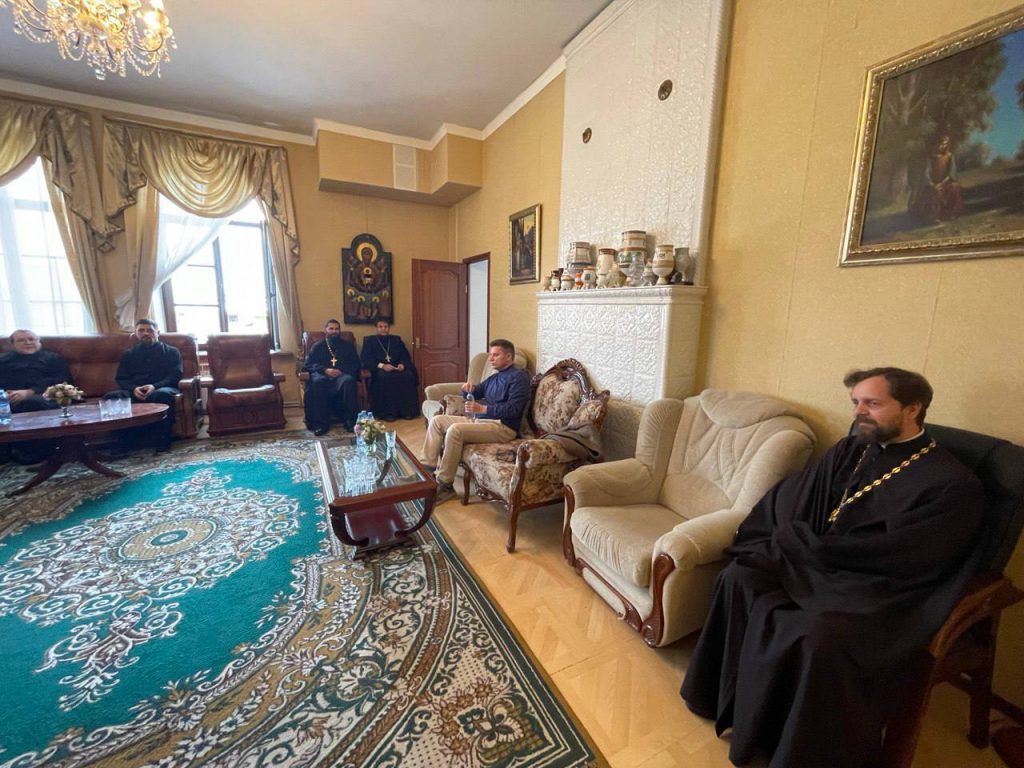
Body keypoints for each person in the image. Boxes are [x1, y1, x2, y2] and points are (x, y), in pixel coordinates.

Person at [679, 367, 984, 768]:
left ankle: (793, 751)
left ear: (913, 408)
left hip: (880, 584)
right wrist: (797, 541)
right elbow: (797, 498)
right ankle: (726, 704)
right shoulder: (851, 449)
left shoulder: (951, 484)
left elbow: (909, 555)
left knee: (817, 636)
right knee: (738, 577)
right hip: (815, 559)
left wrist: (813, 548)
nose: (859, 412)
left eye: (872, 403)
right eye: (856, 402)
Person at [421, 339, 531, 504]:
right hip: (481, 421)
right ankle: (425, 472)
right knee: (437, 421)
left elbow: (514, 409)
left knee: (455, 430)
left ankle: (445, 485)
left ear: (508, 357)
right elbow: (476, 392)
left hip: (502, 427)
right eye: (491, 355)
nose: (491, 359)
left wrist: (483, 409)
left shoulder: (519, 377)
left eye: (495, 355)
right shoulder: (495, 377)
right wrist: (467, 390)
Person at [107, 319, 181, 451]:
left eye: (150, 330)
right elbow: (121, 378)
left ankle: (162, 441)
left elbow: (175, 375)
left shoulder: (172, 352)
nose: (145, 333)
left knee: (161, 395)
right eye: (141, 330)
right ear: (136, 333)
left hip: (162, 387)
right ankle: (124, 442)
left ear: (157, 332)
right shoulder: (128, 354)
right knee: (113, 397)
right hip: (135, 390)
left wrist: (154, 386)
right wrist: (134, 389)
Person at [303, 319, 361, 436]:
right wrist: (325, 370)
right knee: (318, 383)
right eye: (331, 329)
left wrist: (340, 371)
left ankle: (349, 421)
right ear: (326, 330)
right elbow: (309, 364)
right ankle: (321, 424)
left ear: (340, 330)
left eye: (337, 329)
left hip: (341, 376)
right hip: (322, 375)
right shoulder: (317, 346)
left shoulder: (348, 346)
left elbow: (355, 364)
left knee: (349, 381)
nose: (334, 331)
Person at [0, 329, 71, 412]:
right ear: (12, 344)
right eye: (21, 340)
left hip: (41, 395)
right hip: (7, 397)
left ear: (39, 341)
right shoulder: (2, 360)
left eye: (31, 339)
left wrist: (30, 392)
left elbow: (63, 381)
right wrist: (5, 395)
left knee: (34, 402)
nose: (27, 343)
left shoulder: (52, 358)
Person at [360, 320, 419, 420]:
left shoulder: (396, 340)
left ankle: (407, 412)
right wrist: (382, 366)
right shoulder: (369, 341)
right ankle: (388, 413)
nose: (383, 329)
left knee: (408, 375)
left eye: (386, 326)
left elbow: (405, 355)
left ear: (389, 328)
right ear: (376, 328)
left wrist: (402, 364)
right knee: (384, 377)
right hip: (379, 370)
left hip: (397, 368)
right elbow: (366, 359)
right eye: (380, 326)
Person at [909, 134, 964, 224]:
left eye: (945, 144)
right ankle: (933, 217)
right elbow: (926, 173)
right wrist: (932, 184)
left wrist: (941, 184)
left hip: (946, 182)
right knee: (934, 192)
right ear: (936, 144)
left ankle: (950, 214)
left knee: (955, 187)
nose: (943, 146)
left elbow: (951, 173)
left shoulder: (949, 156)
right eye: (941, 144)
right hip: (932, 183)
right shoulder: (931, 158)